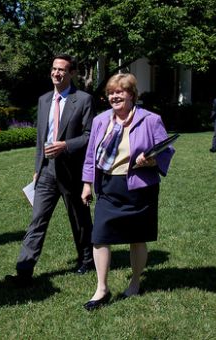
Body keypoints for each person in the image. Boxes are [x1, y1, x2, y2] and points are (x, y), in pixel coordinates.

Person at [81, 73, 174, 310]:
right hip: (109, 186)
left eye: (120, 92)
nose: (115, 96)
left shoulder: (150, 120)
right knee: (100, 237)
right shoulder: (101, 121)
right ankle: (102, 288)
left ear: (131, 94)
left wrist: (152, 162)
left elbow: (166, 150)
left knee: (137, 237)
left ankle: (135, 282)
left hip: (139, 187)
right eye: (111, 93)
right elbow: (91, 154)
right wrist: (86, 184)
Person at [4, 53, 94, 288]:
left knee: (79, 219)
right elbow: (40, 138)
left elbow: (90, 136)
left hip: (72, 171)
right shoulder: (44, 100)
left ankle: (87, 259)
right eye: (54, 68)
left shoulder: (83, 100)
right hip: (46, 172)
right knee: (37, 221)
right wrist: (37, 168)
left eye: (62, 69)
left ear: (72, 73)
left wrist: (65, 145)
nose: (57, 73)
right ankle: (24, 270)